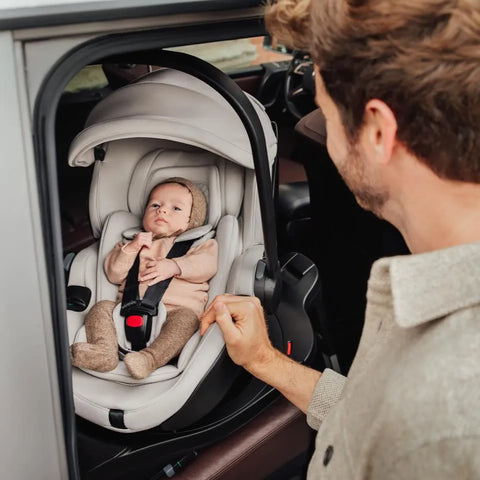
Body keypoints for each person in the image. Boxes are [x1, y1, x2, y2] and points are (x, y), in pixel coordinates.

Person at [200, 0, 480, 478]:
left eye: (324, 112)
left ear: (377, 132)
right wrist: (267, 360)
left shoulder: (445, 421)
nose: (322, 134)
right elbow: (370, 418)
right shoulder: (428, 291)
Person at [71, 177, 218, 379]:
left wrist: (175, 266)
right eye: (155, 205)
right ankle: (104, 351)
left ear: (191, 219)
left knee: (188, 321)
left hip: (174, 313)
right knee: (100, 308)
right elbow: (114, 274)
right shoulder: (130, 242)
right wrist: (131, 249)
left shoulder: (200, 243)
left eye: (176, 208)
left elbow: (206, 266)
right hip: (125, 310)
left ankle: (149, 359)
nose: (162, 210)